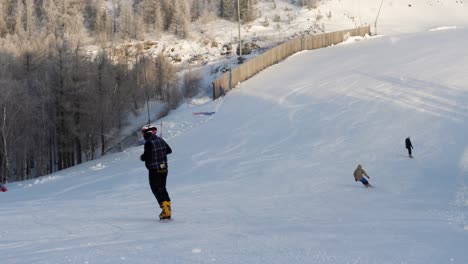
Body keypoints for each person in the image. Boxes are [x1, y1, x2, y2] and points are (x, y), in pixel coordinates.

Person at [140, 124, 173, 220]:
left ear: (146, 133)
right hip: (164, 168)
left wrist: (142, 157)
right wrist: (160, 153)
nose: (143, 135)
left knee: (156, 189)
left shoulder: (149, 142)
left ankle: (165, 210)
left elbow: (146, 156)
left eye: (143, 133)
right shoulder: (161, 140)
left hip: (154, 169)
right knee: (162, 188)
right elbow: (169, 150)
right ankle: (167, 210)